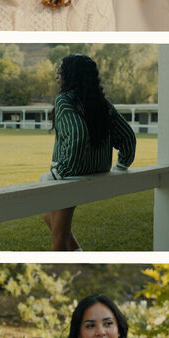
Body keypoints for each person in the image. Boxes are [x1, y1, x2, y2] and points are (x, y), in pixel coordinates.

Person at [41, 54, 136, 250]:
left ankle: (60, 267)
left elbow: (77, 133)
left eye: (60, 72)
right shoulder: (104, 103)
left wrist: (61, 172)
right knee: (48, 215)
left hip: (72, 173)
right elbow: (127, 135)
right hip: (100, 168)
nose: (57, 76)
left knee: (58, 242)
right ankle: (78, 254)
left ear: (71, 75)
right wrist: (122, 164)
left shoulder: (64, 100)